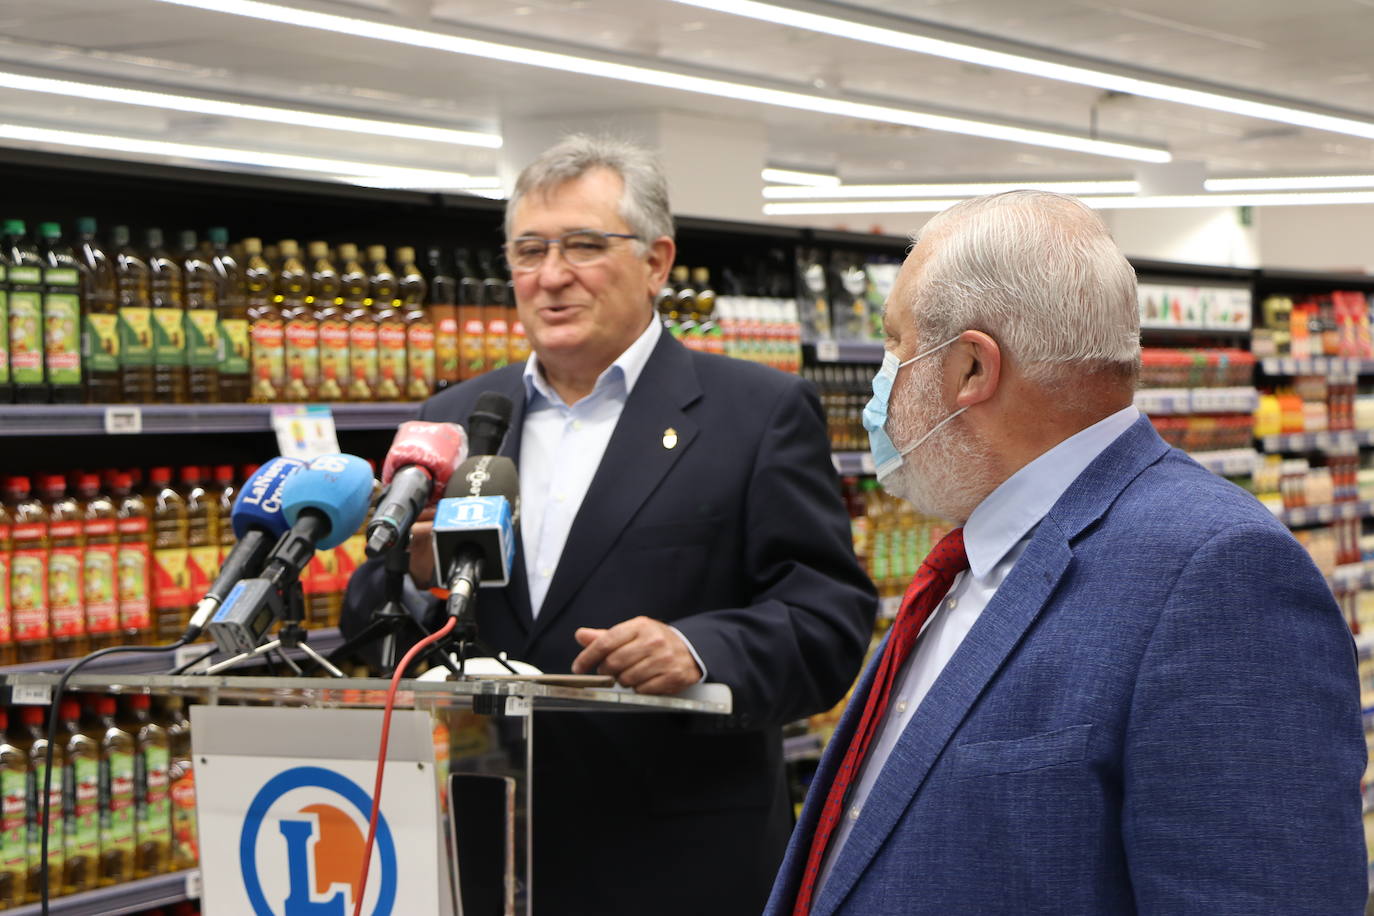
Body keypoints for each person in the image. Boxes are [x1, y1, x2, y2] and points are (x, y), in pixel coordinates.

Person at [766, 190, 1368, 916]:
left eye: (895, 346)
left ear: (970, 371)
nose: (880, 382)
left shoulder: (1218, 574)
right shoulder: (974, 556)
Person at [341, 135, 877, 915]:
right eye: (529, 251)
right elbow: (372, 626)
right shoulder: (457, 420)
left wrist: (699, 649)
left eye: (584, 246)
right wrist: (414, 587)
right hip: (489, 855)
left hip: (677, 864)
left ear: (657, 262)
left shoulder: (754, 415)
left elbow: (828, 617)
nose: (551, 276)